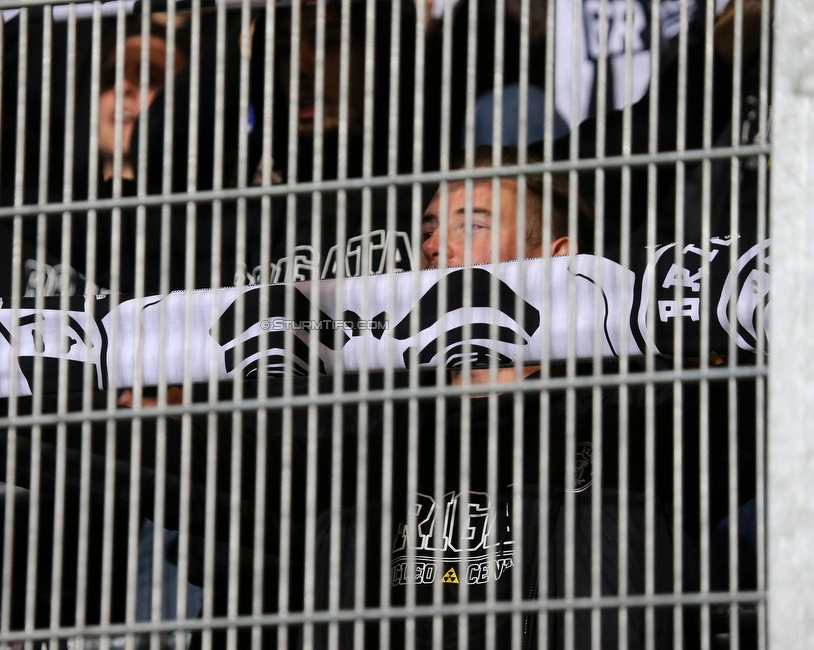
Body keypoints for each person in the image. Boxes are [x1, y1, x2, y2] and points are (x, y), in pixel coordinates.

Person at [309, 146, 758, 649]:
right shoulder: (366, 420)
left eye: (471, 226)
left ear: (554, 259)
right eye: (431, 229)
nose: (436, 246)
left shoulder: (636, 408)